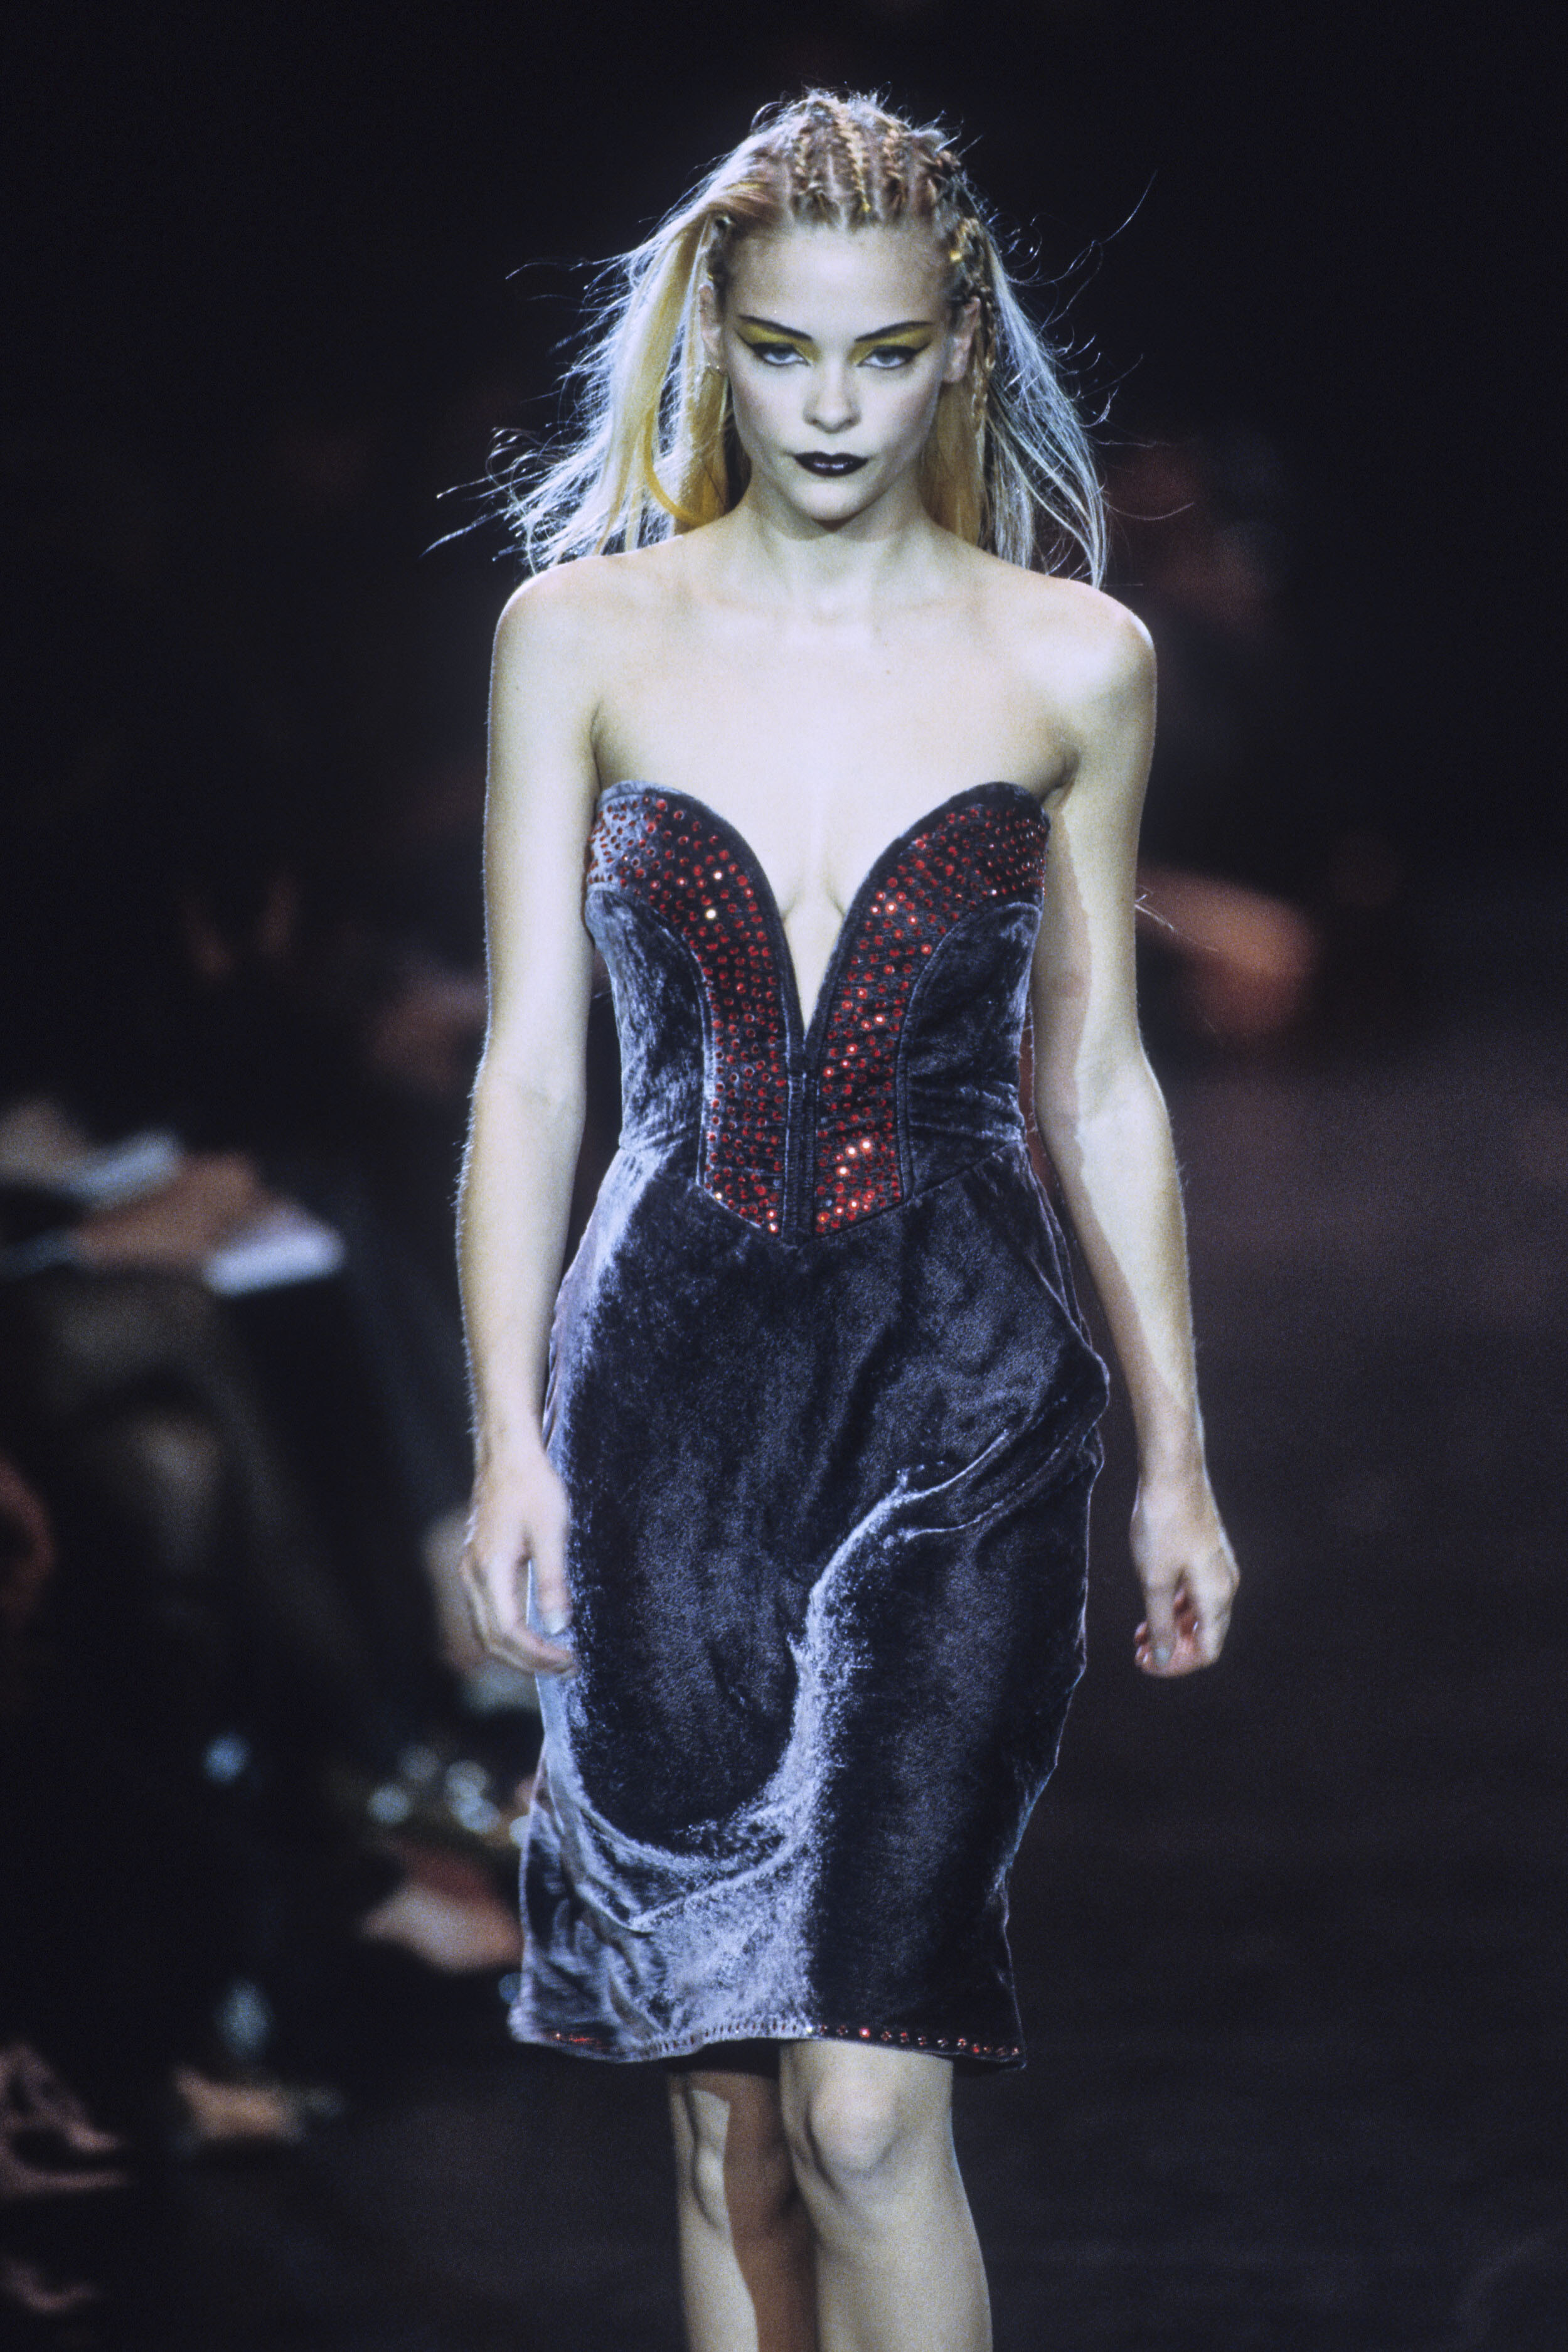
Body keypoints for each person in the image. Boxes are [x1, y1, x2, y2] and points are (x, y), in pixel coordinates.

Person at [458, 92, 1239, 2352]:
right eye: (786, 351)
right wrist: (506, 1439)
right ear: (714, 336)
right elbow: (529, 1072)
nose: (827, 408)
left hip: (963, 1403)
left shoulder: (1071, 655)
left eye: (881, 355)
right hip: (663, 1415)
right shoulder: (577, 631)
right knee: (725, 2110)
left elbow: (1095, 1075)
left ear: (956, 348)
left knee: (871, 2113)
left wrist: (1178, 1454)